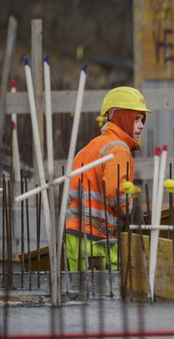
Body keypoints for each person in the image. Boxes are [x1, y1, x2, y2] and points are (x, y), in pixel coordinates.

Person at [64, 87, 150, 270]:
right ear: (120, 117)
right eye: (136, 118)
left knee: (80, 295)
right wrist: (132, 211)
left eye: (142, 119)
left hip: (75, 235)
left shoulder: (88, 148)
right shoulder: (118, 148)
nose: (142, 125)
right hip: (98, 241)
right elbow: (116, 194)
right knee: (109, 296)